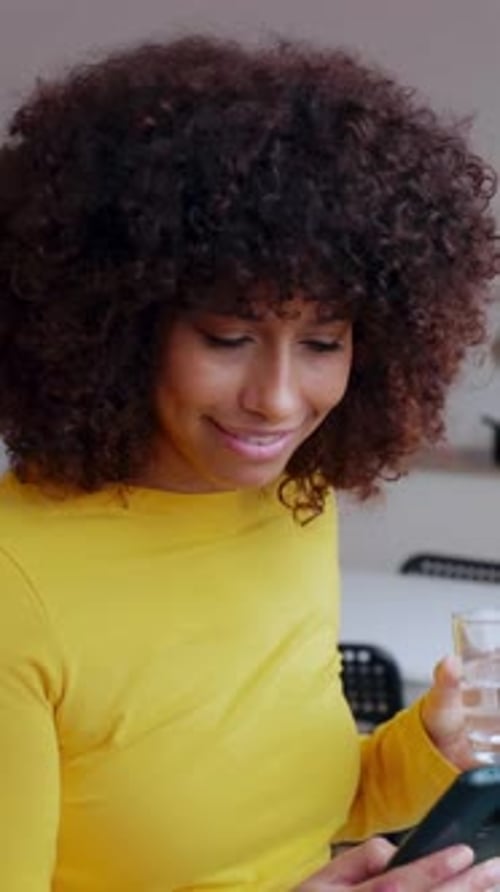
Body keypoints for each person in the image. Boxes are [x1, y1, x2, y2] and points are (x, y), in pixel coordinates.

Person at [0, 34, 498, 892]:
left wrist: (431, 746)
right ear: (121, 325)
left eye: (323, 342)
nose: (276, 399)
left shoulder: (291, 501)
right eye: (228, 337)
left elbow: (309, 808)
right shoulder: (17, 586)